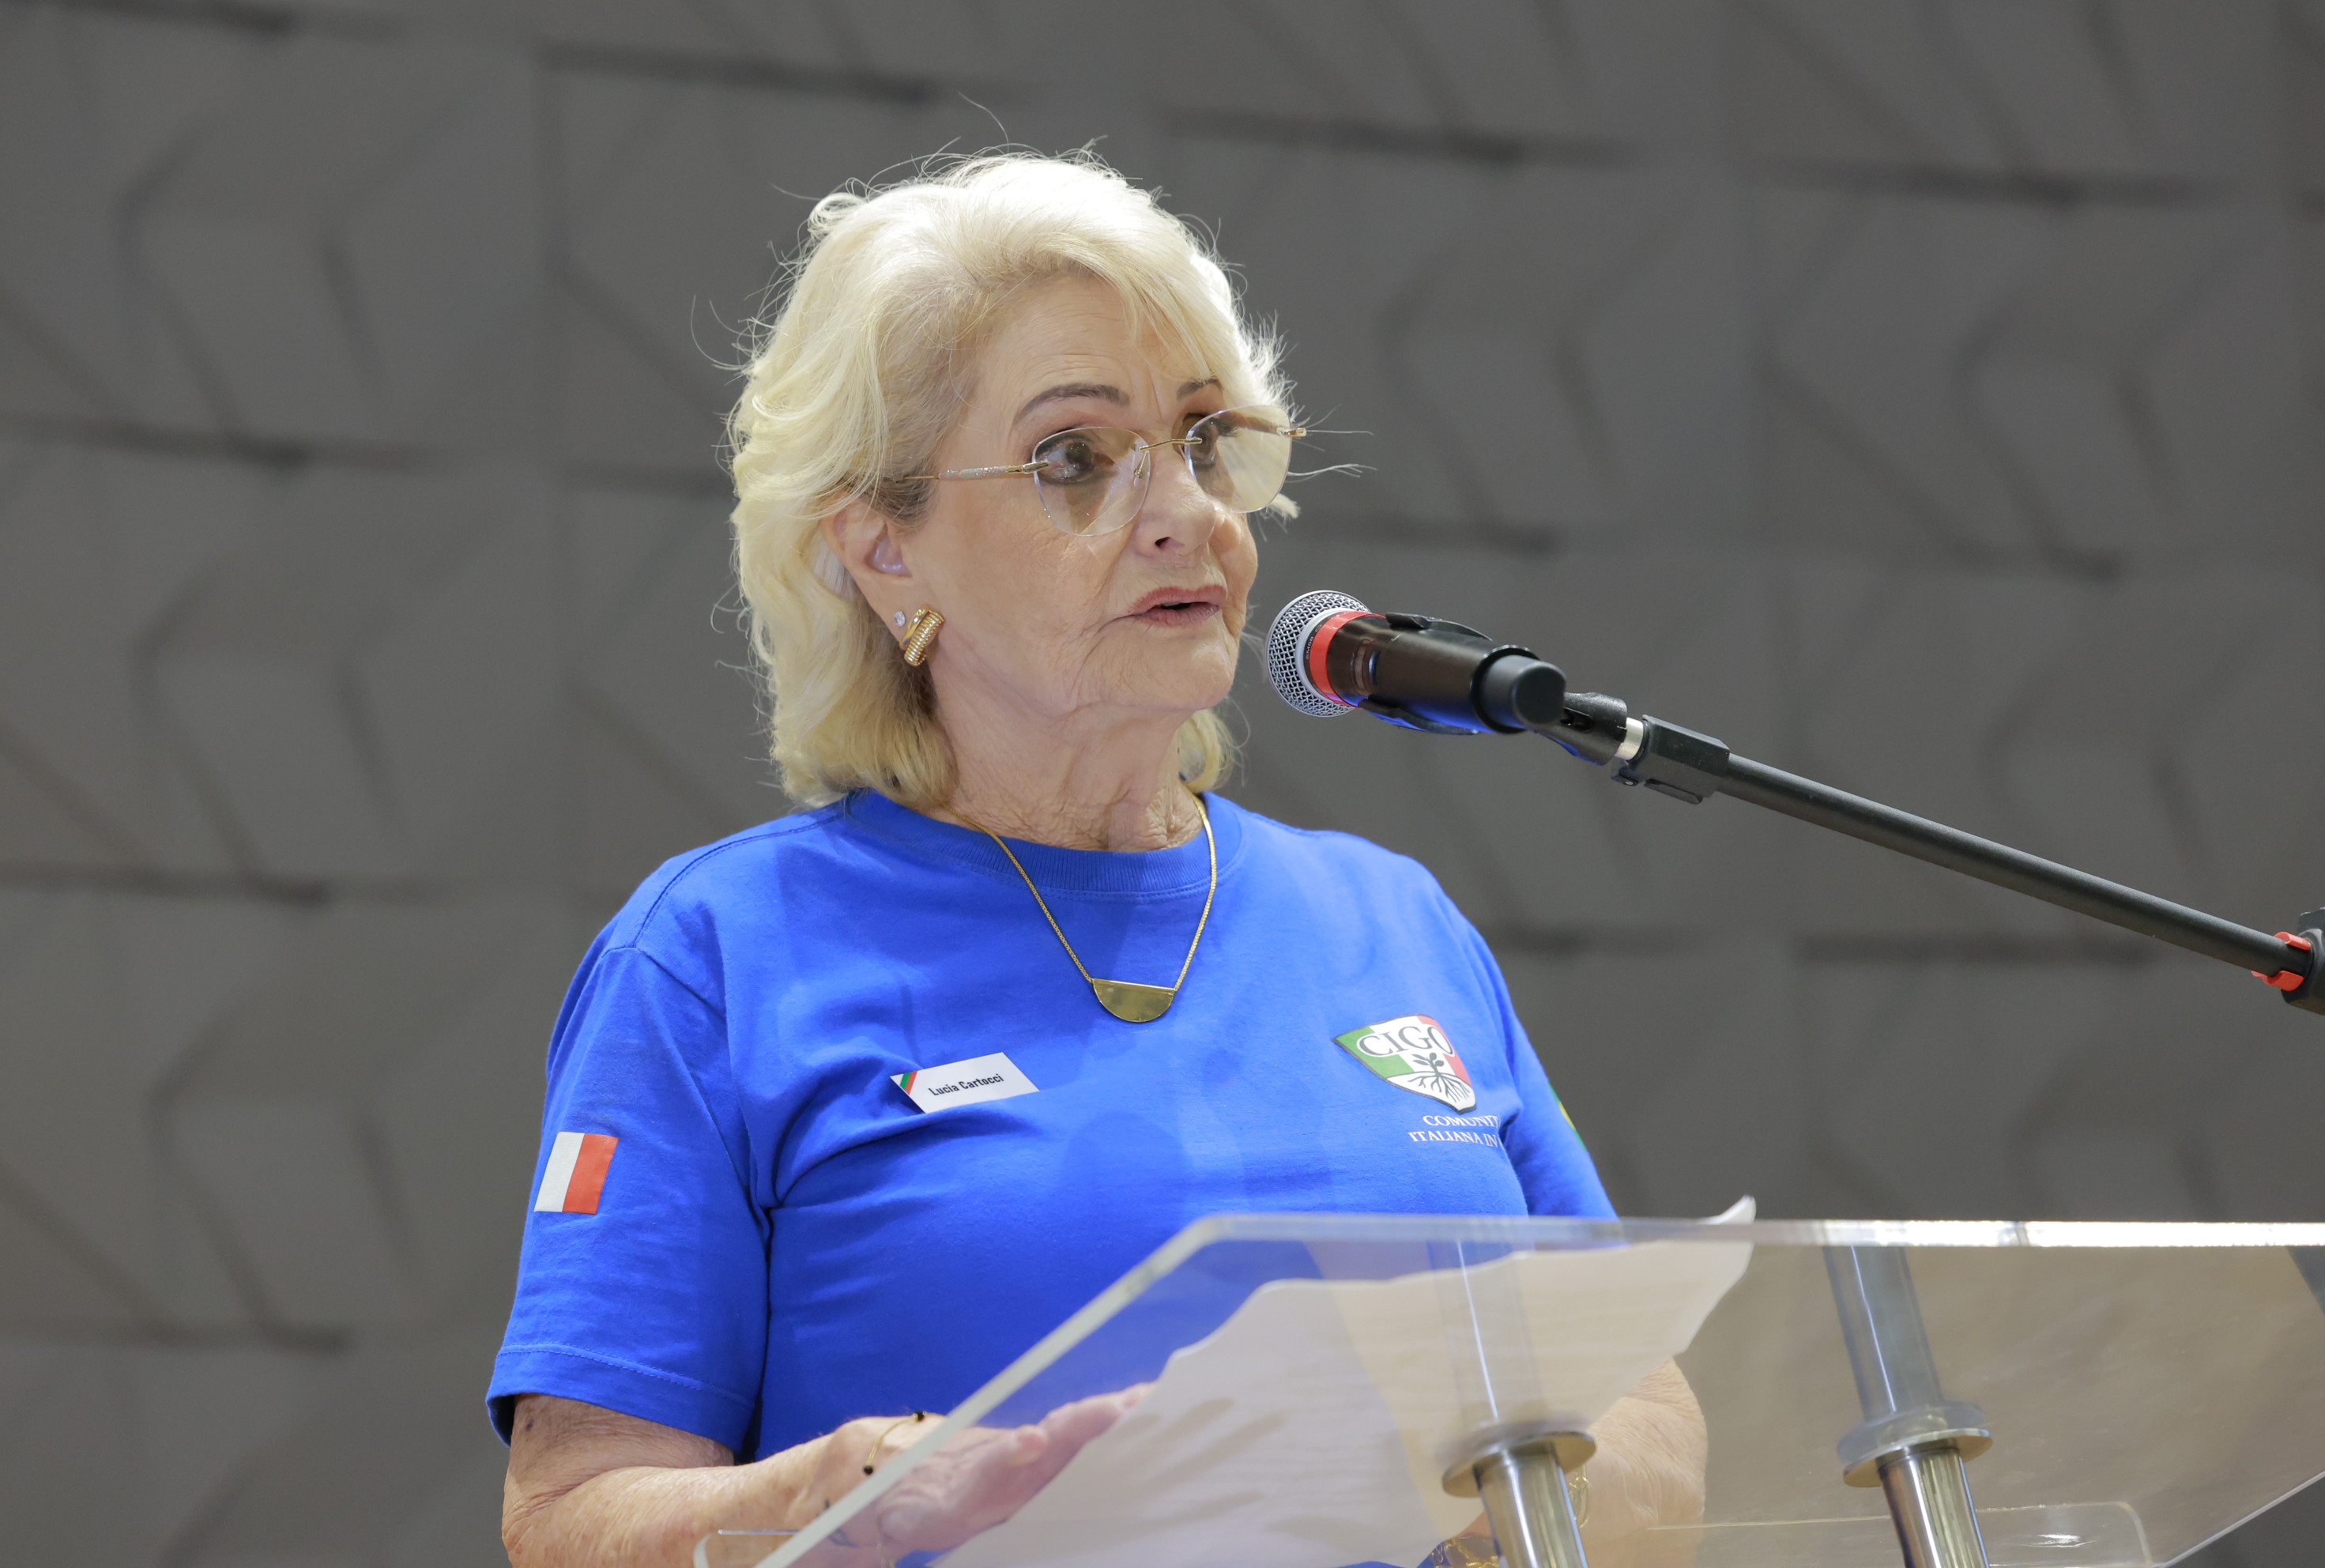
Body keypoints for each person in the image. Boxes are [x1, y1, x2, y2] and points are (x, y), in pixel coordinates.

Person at [492, 152, 1702, 1567]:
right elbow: (569, 1516)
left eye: (1204, 440)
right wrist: (838, 1499)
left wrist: (1481, 1495)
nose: (1187, 511)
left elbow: (1646, 1400)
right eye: (1075, 458)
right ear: (885, 552)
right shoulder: (715, 954)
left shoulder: (1390, 918)